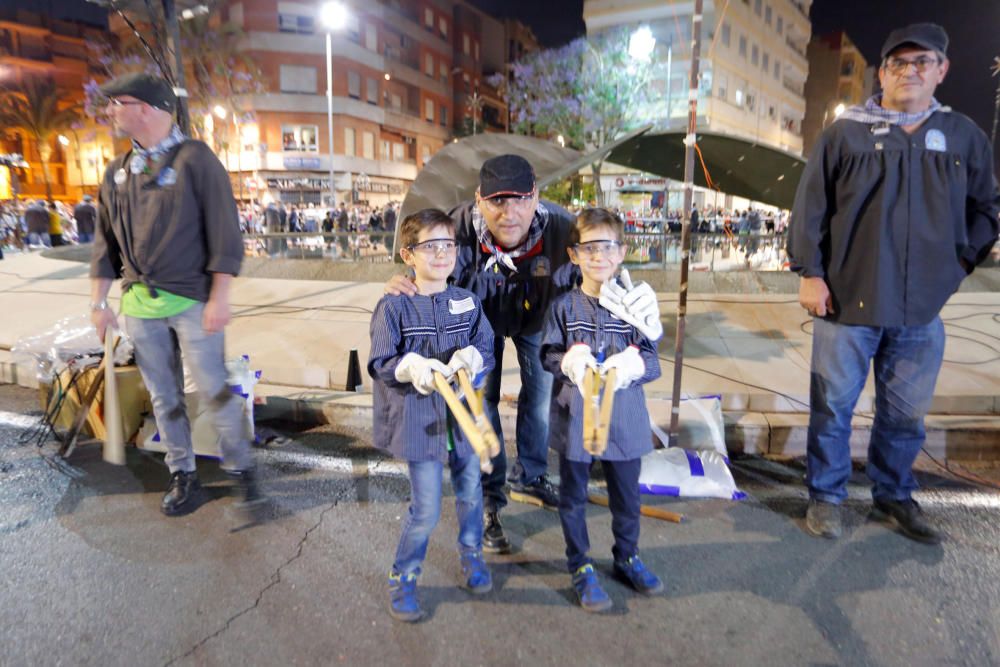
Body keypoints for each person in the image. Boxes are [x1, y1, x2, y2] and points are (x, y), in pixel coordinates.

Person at [787, 23, 1000, 544]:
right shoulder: (846, 133)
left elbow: (986, 210)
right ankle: (827, 497)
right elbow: (809, 208)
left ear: (941, 70)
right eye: (898, 64)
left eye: (922, 62)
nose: (910, 72)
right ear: (881, 73)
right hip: (846, 302)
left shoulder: (962, 137)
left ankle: (893, 496)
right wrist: (810, 272)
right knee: (832, 409)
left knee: (905, 416)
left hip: (920, 311)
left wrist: (957, 265)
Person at [386, 155, 662, 554]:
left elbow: (600, 268)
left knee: (538, 400)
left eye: (519, 199)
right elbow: (425, 262)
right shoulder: (455, 229)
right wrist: (403, 282)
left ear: (536, 196)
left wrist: (625, 298)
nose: (509, 212)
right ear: (479, 200)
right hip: (478, 323)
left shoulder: (563, 229)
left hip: (538, 319)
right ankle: (490, 501)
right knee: (483, 403)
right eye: (497, 200)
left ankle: (530, 476)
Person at [89, 72, 264, 517]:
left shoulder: (196, 160)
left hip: (192, 300)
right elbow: (104, 244)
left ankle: (242, 467)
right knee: (164, 397)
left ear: (146, 108)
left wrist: (220, 296)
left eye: (117, 102)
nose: (110, 110)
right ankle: (183, 474)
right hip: (138, 305)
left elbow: (225, 234)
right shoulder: (117, 172)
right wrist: (99, 302)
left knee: (212, 389)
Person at [368, 208, 495, 622]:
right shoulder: (393, 307)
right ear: (408, 254)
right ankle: (403, 576)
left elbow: (487, 347)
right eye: (430, 246)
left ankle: (472, 554)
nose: (442, 254)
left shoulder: (468, 301)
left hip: (464, 421)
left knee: (471, 492)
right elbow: (381, 362)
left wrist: (474, 357)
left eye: (448, 245)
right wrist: (410, 368)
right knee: (425, 509)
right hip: (421, 423)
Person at [541, 208, 663, 612]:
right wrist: (568, 363)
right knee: (573, 496)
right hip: (575, 417)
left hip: (625, 418)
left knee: (626, 497)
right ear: (574, 255)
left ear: (622, 251)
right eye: (588, 248)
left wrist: (636, 365)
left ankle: (627, 556)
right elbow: (547, 355)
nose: (598, 257)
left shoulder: (636, 305)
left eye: (607, 247)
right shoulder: (562, 307)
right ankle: (580, 565)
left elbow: (654, 362)